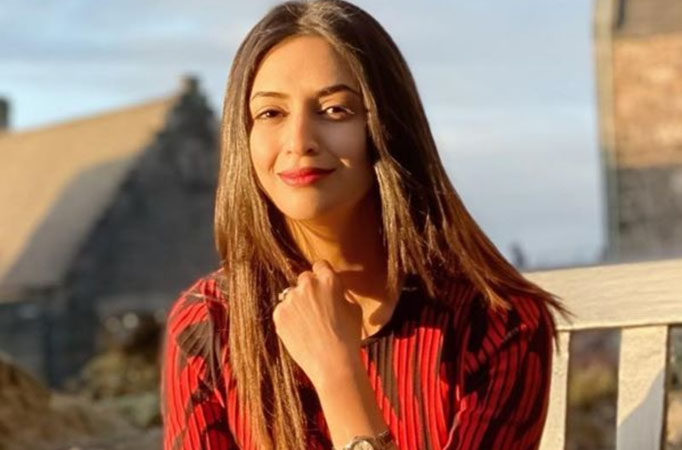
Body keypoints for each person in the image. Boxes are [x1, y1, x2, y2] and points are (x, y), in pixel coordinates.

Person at [161, 1, 566, 449]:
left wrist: (337, 372)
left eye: (335, 110)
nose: (299, 141)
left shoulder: (497, 323)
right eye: (271, 113)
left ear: (388, 128)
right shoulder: (209, 323)